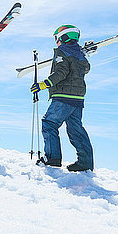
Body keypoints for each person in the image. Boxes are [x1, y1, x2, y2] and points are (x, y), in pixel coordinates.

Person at [31, 25, 94, 172]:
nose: (56, 42)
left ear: (63, 37)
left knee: (49, 123)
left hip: (63, 97)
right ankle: (85, 163)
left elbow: (61, 72)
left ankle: (52, 158)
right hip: (78, 98)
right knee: (75, 129)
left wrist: (44, 84)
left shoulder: (62, 51)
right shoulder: (79, 54)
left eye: (56, 38)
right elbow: (87, 68)